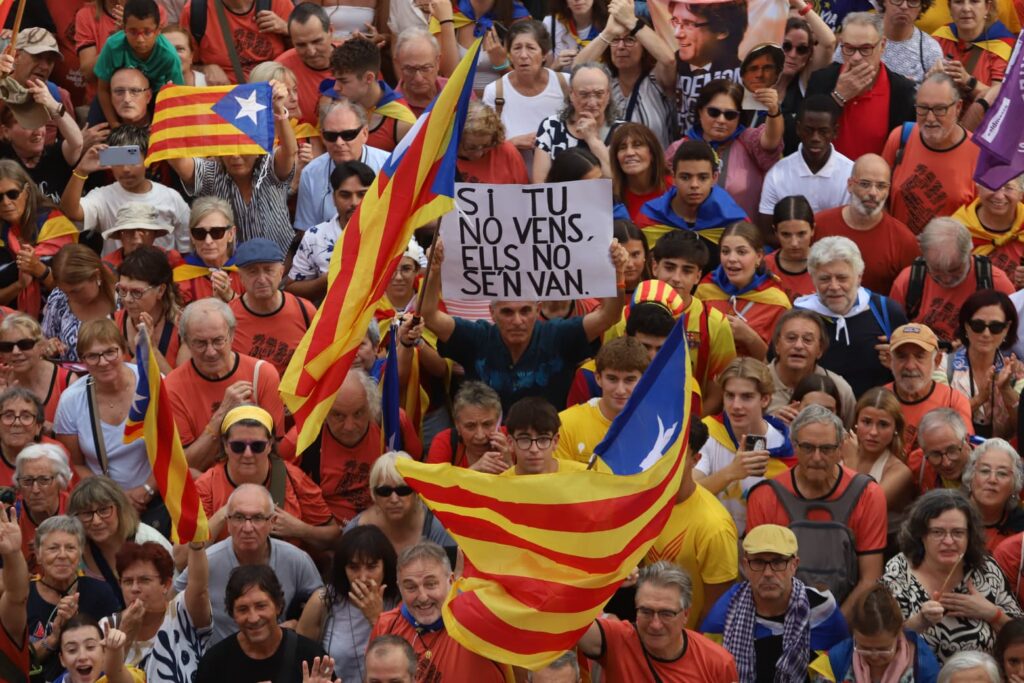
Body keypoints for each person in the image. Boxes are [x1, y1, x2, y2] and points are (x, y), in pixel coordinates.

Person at [420, 237, 627, 411]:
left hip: (546, 443)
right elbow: (428, 315)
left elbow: (608, 316)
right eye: (507, 312)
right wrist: (434, 270)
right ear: (492, 312)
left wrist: (617, 274)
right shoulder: (477, 338)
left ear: (538, 309)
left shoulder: (558, 336)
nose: (517, 321)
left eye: (525, 311)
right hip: (486, 442)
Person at [747, 405, 888, 616]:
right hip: (780, 615)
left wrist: (833, 626)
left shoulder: (867, 494)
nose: (817, 457)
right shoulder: (765, 496)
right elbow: (759, 575)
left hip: (847, 618)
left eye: (827, 449)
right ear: (794, 446)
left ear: (841, 448)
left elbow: (870, 579)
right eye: (807, 447)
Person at [881, 489, 1023, 663]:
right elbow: (878, 643)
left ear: (969, 536)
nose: (948, 541)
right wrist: (920, 622)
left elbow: (1020, 637)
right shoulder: (898, 571)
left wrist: (992, 614)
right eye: (937, 532)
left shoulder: (986, 569)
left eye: (958, 533)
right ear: (921, 535)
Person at [701, 524, 849, 681]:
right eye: (758, 562)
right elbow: (707, 668)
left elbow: (842, 666)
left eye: (778, 562)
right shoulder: (727, 610)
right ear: (745, 566)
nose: (768, 573)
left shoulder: (822, 611)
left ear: (794, 565)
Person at [166, 79, 297, 252]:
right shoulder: (211, 173)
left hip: (283, 262)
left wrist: (279, 109)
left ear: (258, 150)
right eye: (228, 149)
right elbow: (176, 158)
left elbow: (289, 151)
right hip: (231, 266)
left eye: (243, 149)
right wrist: (170, 110)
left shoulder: (270, 168)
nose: (235, 156)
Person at [284, 369, 421, 522]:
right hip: (329, 530)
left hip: (390, 523)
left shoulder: (393, 424)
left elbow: (419, 473)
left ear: (371, 407)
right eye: (338, 415)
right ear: (323, 411)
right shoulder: (300, 441)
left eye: (358, 414)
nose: (349, 426)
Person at [166, 297, 286, 471]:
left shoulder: (262, 374)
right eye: (200, 343)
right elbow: (185, 466)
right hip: (203, 484)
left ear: (231, 335)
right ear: (186, 342)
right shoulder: (172, 387)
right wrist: (222, 414)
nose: (211, 352)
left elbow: (275, 452)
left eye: (218, 341)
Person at [195, 405, 339, 548]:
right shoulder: (207, 486)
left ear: (270, 445)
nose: (248, 454)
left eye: (257, 446)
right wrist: (224, 515)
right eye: (238, 446)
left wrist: (301, 530)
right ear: (226, 445)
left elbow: (334, 536)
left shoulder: (293, 478)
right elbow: (186, 554)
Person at [56, 320, 163, 508]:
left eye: (110, 352)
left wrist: (147, 489)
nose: (103, 362)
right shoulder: (70, 400)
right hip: (104, 502)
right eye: (92, 356)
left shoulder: (153, 382)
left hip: (158, 495)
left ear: (123, 350)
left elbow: (173, 447)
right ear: (82, 360)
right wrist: (115, 498)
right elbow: (76, 464)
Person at [370, 541, 510, 681]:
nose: (423, 597)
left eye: (431, 584)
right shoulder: (386, 626)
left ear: (451, 581)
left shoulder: (479, 623)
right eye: (411, 587)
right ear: (400, 588)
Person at [646, 418, 738, 628]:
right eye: (662, 451)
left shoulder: (715, 526)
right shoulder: (644, 504)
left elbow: (716, 609)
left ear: (695, 460)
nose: (666, 462)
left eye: (678, 455)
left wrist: (688, 644)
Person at [575, 561, 739, 679]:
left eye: (666, 614)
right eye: (646, 612)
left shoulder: (717, 663)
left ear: (686, 615)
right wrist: (607, 581)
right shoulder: (617, 639)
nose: (655, 624)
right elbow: (568, 616)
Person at [794, 236, 909, 397]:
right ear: (812, 278)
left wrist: (899, 360)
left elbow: (914, 367)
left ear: (859, 277)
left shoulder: (886, 311)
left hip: (875, 409)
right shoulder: (797, 317)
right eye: (825, 279)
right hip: (819, 409)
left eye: (842, 278)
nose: (834, 286)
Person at [695, 357, 794, 532]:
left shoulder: (785, 448)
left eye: (747, 397)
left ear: (765, 399)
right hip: (713, 540)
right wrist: (731, 472)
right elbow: (688, 494)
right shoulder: (708, 432)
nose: (736, 405)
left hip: (764, 545)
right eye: (730, 396)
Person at [61, 126, 190, 257]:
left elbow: (186, 248)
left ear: (147, 160)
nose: (126, 169)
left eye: (132, 161)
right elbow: (71, 212)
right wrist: (81, 171)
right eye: (119, 162)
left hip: (162, 268)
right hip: (116, 269)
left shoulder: (171, 197)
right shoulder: (103, 196)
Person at [668, 78, 783, 221]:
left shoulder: (749, 141)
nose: (721, 120)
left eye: (730, 115)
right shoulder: (678, 149)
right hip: (693, 232)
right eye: (713, 112)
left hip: (743, 232)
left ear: (739, 117)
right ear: (700, 111)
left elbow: (771, 141)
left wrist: (773, 111)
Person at [807, 12, 917, 159]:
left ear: (882, 45)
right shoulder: (821, 80)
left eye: (865, 49)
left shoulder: (902, 91)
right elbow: (806, 134)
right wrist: (837, 97)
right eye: (849, 48)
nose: (856, 57)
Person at [296, 526, 400, 682]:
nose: (363, 577)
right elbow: (300, 659)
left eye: (371, 567)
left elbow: (404, 661)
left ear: (385, 567)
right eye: (354, 567)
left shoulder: (400, 602)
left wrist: (377, 620)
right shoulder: (322, 601)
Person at [881, 73, 980, 235]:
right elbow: (880, 196)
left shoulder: (978, 154)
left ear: (958, 108)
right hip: (898, 247)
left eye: (940, 109)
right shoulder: (900, 138)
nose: (930, 118)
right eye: (923, 108)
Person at [27, 515, 121, 682]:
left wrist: (76, 624)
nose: (62, 555)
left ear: (80, 554)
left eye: (70, 548)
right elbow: (16, 660)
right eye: (53, 548)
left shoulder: (101, 593)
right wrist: (53, 638)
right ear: (38, 555)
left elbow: (113, 652)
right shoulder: (23, 597)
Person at [196, 564, 327, 682]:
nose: (253, 618)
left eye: (261, 606)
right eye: (243, 609)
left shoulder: (311, 657)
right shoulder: (215, 663)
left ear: (278, 606)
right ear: (233, 614)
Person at [892, 219, 1015, 343]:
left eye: (954, 269)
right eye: (936, 269)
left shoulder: (996, 283)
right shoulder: (908, 281)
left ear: (969, 252)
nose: (946, 279)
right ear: (924, 256)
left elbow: (1011, 337)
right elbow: (894, 335)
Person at [573, 1, 676, 150]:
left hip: (657, 163)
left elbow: (669, 60)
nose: (621, 47)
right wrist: (609, 32)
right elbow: (577, 69)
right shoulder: (605, 80)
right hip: (611, 163)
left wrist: (632, 22)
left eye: (629, 40)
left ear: (645, 47)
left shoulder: (657, 78)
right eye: (615, 40)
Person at [811, 153, 919, 295]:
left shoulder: (904, 240)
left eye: (881, 186)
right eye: (865, 184)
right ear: (850, 185)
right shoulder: (818, 224)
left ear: (888, 190)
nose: (873, 192)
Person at [103, 541, 211, 681]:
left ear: (166, 584)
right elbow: (103, 677)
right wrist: (125, 632)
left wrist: (196, 546)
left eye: (144, 580)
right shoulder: (108, 626)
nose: (135, 588)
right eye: (128, 581)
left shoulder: (182, 612)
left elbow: (199, 588)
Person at [635, 140, 747, 270]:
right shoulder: (649, 218)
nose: (694, 185)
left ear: (714, 178)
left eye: (703, 178)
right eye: (685, 177)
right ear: (673, 177)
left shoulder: (734, 221)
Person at [67, 476, 171, 603]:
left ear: (120, 508)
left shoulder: (148, 540)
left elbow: (175, 594)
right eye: (87, 514)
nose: (96, 521)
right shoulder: (74, 549)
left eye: (104, 510)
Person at [695, 222, 791, 358]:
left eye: (741, 252)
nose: (731, 259)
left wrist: (749, 337)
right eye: (725, 251)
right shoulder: (705, 289)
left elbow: (780, 361)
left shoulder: (777, 302)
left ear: (759, 256)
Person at [652, 0, 748, 133]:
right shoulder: (672, 63)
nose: (677, 33)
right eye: (675, 21)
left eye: (689, 24)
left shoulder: (745, 72)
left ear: (721, 31)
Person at [758, 95, 852, 230]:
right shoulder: (777, 174)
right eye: (809, 130)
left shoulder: (850, 173)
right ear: (798, 129)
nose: (815, 138)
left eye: (823, 131)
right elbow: (767, 231)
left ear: (835, 132)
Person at [480, 20, 569, 162]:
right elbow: (484, 147)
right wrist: (512, 144)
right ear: (509, 55)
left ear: (544, 54)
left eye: (531, 48)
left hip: (561, 173)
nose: (523, 55)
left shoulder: (566, 84)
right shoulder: (494, 91)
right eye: (517, 48)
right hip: (511, 173)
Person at [293, 100, 388, 232]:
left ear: (365, 133)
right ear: (322, 136)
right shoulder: (311, 173)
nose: (339, 142)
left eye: (348, 135)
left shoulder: (388, 166)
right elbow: (306, 230)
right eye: (331, 136)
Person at [288, 161, 375, 304]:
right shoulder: (315, 236)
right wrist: (326, 281)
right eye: (345, 195)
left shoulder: (391, 232)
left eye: (362, 194)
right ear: (334, 198)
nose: (354, 202)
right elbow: (292, 289)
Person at [0, 160, 78, 318]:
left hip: (59, 317)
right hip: (8, 323)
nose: (6, 202)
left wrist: (38, 268)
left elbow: (75, 290)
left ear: (27, 191)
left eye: (12, 194)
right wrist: (19, 285)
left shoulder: (55, 224)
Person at [818, 584, 941, 683]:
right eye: (864, 648)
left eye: (883, 649)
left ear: (899, 633)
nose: (874, 656)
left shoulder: (924, 666)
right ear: (854, 633)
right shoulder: (834, 659)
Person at [556, 337, 648, 466]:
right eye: (612, 379)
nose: (620, 390)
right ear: (598, 378)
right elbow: (560, 477)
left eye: (629, 380)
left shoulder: (659, 425)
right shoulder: (565, 425)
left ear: (644, 380)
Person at [229, 239, 315, 376]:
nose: (262, 279)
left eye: (268, 270)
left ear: (281, 272)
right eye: (252, 272)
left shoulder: (305, 311)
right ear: (241, 278)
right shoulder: (228, 318)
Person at [345, 451, 456, 557]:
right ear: (374, 494)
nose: (394, 499)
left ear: (416, 492)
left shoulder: (439, 528)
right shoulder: (355, 530)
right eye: (385, 491)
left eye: (403, 490)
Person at [93, 0, 184, 126]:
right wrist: (114, 124)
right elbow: (103, 89)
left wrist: (159, 127)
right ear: (124, 29)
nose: (140, 39)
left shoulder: (169, 55)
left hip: (154, 99)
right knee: (97, 131)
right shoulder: (112, 46)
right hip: (117, 97)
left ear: (158, 30)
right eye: (133, 32)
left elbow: (177, 94)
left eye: (147, 32)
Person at [887, 323, 974, 452]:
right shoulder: (879, 399)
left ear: (937, 361)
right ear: (890, 360)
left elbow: (966, 451)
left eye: (919, 356)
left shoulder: (953, 401)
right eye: (901, 356)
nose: (910, 366)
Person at [949, 290, 1022, 440]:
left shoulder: (1017, 372)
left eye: (996, 327)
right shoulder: (944, 367)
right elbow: (938, 422)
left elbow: (1021, 430)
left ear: (1007, 329)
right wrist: (979, 399)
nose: (986, 334)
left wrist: (1006, 390)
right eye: (978, 325)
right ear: (966, 326)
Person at [768, 308, 857, 427]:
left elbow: (851, 434)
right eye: (791, 338)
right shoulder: (756, 383)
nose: (798, 346)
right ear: (777, 345)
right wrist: (767, 423)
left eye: (807, 340)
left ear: (820, 349)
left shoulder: (840, 389)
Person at [843, 387, 915, 532]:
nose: (873, 432)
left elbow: (862, 513)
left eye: (883, 424)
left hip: (883, 542)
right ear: (856, 422)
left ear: (896, 429)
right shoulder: (838, 451)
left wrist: (850, 464)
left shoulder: (899, 471)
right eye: (866, 422)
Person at [0, 79, 82, 204]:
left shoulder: (54, 154)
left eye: (40, 123)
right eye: (27, 125)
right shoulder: (3, 160)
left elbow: (77, 143)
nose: (37, 131)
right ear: (5, 132)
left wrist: (54, 105)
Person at [532, 62, 616, 182]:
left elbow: (616, 184)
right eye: (584, 94)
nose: (592, 102)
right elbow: (540, 185)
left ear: (608, 95)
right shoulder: (551, 127)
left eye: (599, 94)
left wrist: (593, 140)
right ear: (571, 95)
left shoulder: (621, 131)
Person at [328, 37, 414, 153]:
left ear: (369, 78)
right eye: (336, 80)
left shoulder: (402, 123)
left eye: (343, 81)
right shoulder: (337, 105)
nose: (335, 88)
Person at [932, 0, 1014, 119]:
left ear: (987, 7)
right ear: (950, 8)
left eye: (974, 1)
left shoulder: (1004, 46)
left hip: (981, 125)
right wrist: (930, 79)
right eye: (958, 2)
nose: (966, 8)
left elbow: (1003, 101)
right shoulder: (939, 38)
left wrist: (969, 82)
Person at [179, 0, 293, 85]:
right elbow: (179, 63)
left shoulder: (277, 3)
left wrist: (287, 29)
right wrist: (205, 69)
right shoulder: (196, 11)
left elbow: (302, 52)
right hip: (225, 96)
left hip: (278, 91)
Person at [116, 246, 188, 374]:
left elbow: (181, 385)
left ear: (160, 290)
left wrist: (152, 349)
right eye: (122, 290)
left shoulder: (184, 327)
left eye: (136, 292)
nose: (127, 299)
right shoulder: (112, 322)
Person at [42, 244, 117, 362]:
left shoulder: (124, 301)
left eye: (76, 291)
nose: (71, 297)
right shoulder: (58, 298)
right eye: (66, 292)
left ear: (96, 275)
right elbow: (44, 340)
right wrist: (50, 346)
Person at [778, 12, 839, 155]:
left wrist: (801, 5)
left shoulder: (805, 81)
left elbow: (828, 42)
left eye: (802, 49)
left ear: (810, 55)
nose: (792, 54)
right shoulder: (757, 78)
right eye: (786, 46)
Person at [0, 313, 75, 425]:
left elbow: (81, 430)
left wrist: (43, 427)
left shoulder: (67, 381)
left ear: (41, 346)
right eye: (7, 347)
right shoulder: (2, 381)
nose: (15, 352)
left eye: (25, 344)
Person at [174, 197, 245, 305]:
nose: (208, 241)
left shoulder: (248, 268)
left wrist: (231, 296)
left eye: (217, 232)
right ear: (192, 236)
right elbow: (179, 314)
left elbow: (262, 312)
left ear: (231, 234)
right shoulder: (182, 274)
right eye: (199, 233)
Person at [13, 443, 72, 573]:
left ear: (61, 481)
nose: (35, 490)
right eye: (27, 481)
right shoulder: (9, 516)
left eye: (44, 480)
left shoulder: (76, 511)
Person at [425, 381, 508, 471]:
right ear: (457, 425)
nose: (480, 436)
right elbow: (431, 480)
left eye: (487, 424)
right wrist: (473, 471)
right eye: (470, 426)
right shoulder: (445, 442)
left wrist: (510, 466)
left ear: (498, 422)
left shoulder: (512, 440)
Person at [954, 175, 1024, 280]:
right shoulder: (956, 232)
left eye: (1009, 188)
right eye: (992, 186)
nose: (999, 196)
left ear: (1021, 194)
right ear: (978, 189)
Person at [276, 4, 334, 129]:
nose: (311, 51)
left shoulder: (356, 59)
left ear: (330, 31)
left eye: (317, 41)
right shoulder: (280, 68)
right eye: (301, 45)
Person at [962, 438, 1024, 550]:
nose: (992, 480)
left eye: (1002, 473)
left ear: (1015, 485)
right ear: (970, 476)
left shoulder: (1021, 528)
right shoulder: (946, 515)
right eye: (985, 471)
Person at [867, 0, 944, 83]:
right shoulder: (862, 31)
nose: (904, 6)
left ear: (921, 6)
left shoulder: (930, 49)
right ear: (884, 2)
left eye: (912, 1)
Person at [454, 101, 530, 184]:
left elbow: (522, 189)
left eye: (486, 146)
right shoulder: (444, 156)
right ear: (457, 140)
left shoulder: (507, 152)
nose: (479, 154)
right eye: (471, 148)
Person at [609, 123, 670, 222]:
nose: (629, 153)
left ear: (652, 153)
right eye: (622, 147)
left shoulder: (674, 188)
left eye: (637, 145)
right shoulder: (610, 196)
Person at [54, 614, 138, 683]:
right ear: (62, 659)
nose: (82, 657)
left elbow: (116, 675)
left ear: (104, 651)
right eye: (72, 650)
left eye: (90, 647)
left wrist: (115, 650)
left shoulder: (122, 675)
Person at [909, 408, 974, 495]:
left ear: (966, 439)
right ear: (924, 452)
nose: (946, 463)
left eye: (952, 450)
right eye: (936, 455)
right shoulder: (919, 464)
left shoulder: (988, 463)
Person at [765, 196, 816, 302]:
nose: (794, 243)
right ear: (775, 232)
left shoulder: (828, 265)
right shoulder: (764, 268)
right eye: (786, 234)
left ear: (813, 229)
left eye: (801, 234)